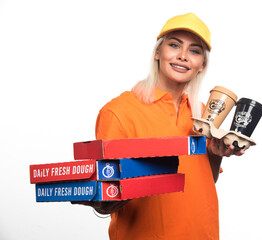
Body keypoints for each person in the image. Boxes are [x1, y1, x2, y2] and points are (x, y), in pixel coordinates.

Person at [85, 13, 244, 239]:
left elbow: (203, 183)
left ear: (202, 65)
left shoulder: (201, 113)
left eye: (194, 50)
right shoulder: (119, 112)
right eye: (174, 45)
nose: (182, 56)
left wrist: (215, 153)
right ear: (158, 53)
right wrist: (99, 197)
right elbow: (106, 197)